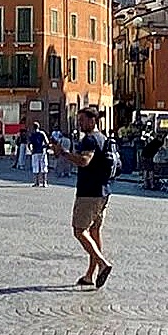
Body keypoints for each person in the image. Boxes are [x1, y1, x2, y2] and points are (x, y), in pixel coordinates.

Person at [53, 108, 116, 288]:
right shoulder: (103, 138)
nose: (79, 123)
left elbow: (84, 161)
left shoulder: (90, 139)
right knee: (94, 232)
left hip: (89, 192)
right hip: (103, 191)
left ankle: (103, 264)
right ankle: (90, 275)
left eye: (82, 120)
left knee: (79, 230)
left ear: (92, 121)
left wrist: (63, 153)